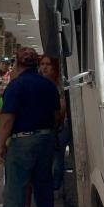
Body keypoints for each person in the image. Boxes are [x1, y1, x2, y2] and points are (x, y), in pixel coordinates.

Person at [0, 47, 60, 207]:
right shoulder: (48, 85)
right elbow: (56, 115)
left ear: (17, 65)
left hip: (23, 141)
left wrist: (0, 145)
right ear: (36, 64)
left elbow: (7, 119)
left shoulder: (16, 86)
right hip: (46, 138)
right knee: (43, 184)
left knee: (15, 189)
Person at [39, 55, 70, 191]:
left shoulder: (59, 84)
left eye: (48, 64)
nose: (44, 67)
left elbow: (62, 107)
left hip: (59, 126)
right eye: (42, 64)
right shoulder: (39, 82)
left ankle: (55, 187)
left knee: (57, 157)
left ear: (54, 67)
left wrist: (57, 124)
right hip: (45, 126)